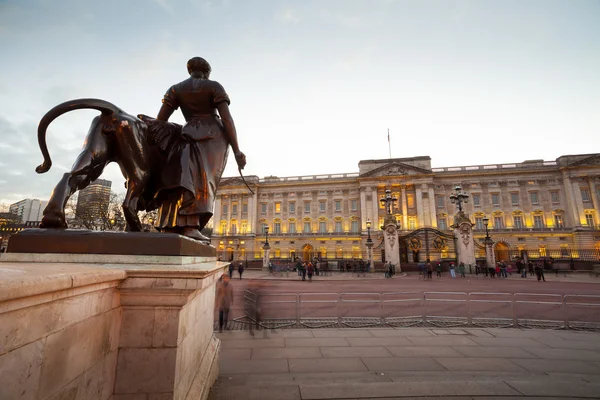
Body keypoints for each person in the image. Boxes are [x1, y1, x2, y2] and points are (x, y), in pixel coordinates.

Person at [148, 57, 246, 242]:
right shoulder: (214, 86)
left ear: (189, 70)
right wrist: (237, 150)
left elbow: (159, 121)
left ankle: (170, 224)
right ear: (207, 72)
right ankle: (191, 225)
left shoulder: (176, 88)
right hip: (212, 136)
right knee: (203, 179)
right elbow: (227, 119)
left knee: (181, 175)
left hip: (187, 132)